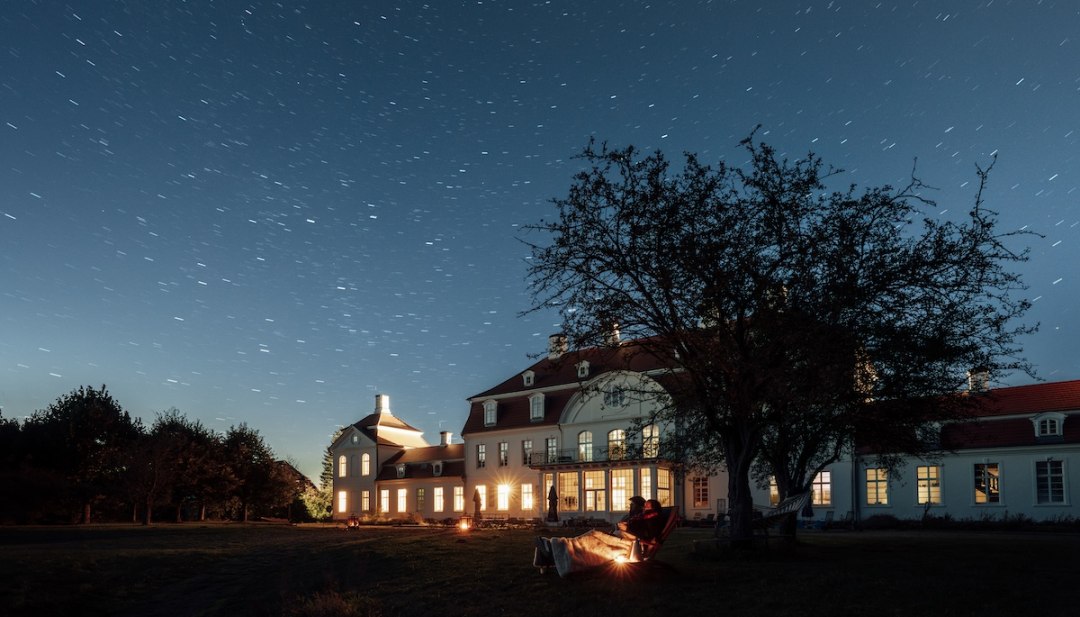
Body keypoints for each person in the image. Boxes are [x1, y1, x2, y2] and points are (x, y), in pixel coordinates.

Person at [534, 499, 666, 577]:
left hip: (628, 545)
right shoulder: (642, 517)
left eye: (648, 505)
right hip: (620, 538)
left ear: (654, 508)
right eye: (645, 505)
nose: (644, 507)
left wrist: (628, 530)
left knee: (590, 540)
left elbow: (650, 539)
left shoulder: (653, 519)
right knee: (591, 536)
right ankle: (553, 546)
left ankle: (553, 546)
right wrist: (623, 527)